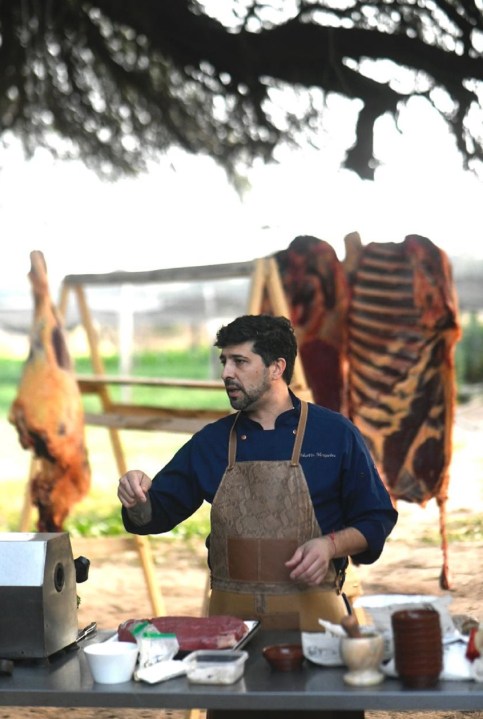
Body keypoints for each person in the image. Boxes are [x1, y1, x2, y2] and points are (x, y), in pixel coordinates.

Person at [118, 314, 398, 633]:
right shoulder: (211, 442)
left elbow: (376, 519)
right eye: (224, 361)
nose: (226, 373)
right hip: (230, 632)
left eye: (239, 362)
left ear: (276, 368)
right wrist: (136, 498)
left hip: (317, 629)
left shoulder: (335, 434)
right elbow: (154, 515)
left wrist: (330, 546)